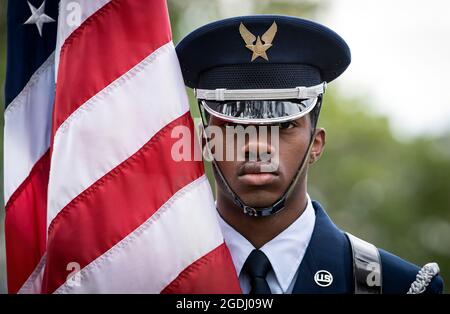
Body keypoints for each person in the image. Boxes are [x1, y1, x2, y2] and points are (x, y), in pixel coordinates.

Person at [175, 15, 444, 294]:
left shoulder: (396, 285)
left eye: (283, 125)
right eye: (235, 125)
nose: (258, 146)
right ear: (205, 142)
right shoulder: (150, 276)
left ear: (316, 144)